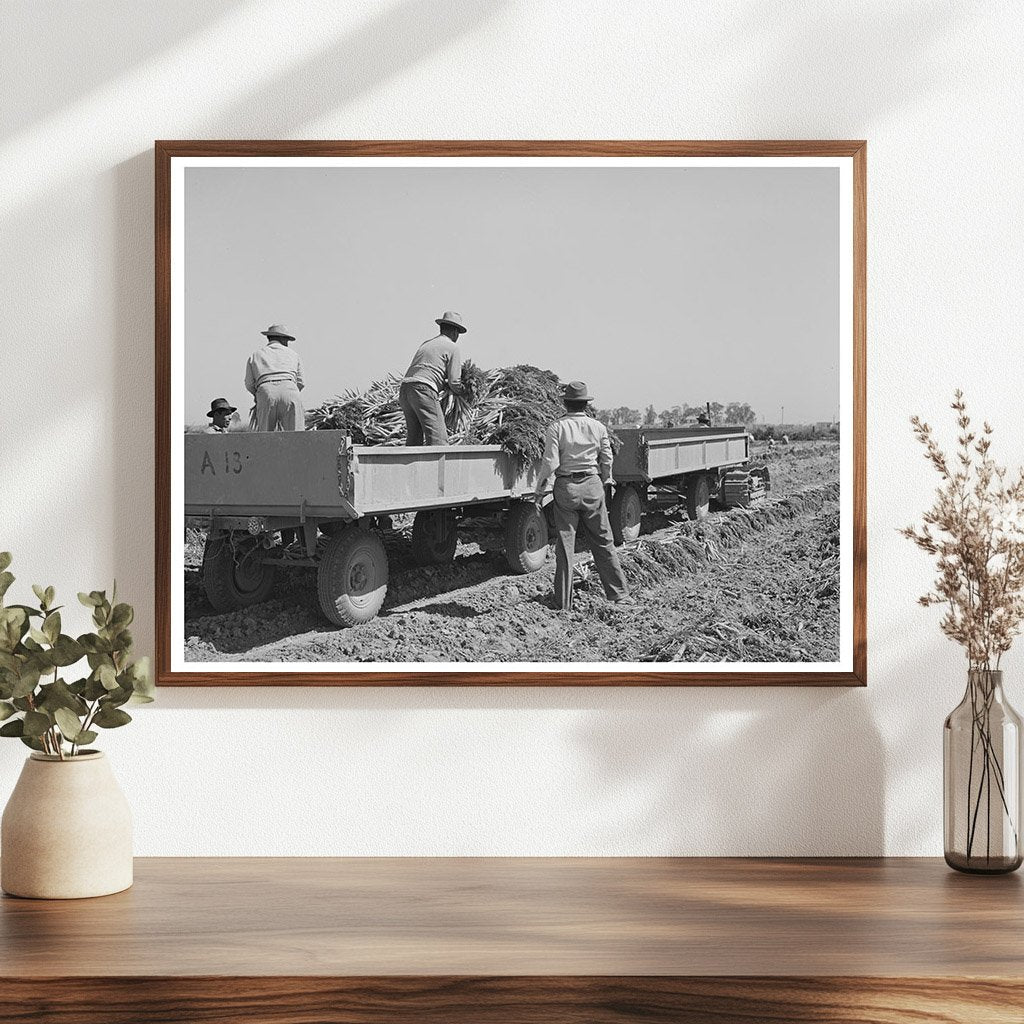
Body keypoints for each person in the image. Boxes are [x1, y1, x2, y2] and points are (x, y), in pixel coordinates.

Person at [536, 381, 635, 611]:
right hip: (592, 485)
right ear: (586, 404)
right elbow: (607, 458)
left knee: (565, 546)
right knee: (603, 541)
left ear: (565, 402)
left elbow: (551, 462)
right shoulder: (598, 427)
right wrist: (606, 478)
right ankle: (619, 595)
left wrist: (540, 490)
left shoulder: (556, 427)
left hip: (566, 488)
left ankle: (563, 603)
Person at [399, 312, 467, 445]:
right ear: (454, 332)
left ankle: (412, 465)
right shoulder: (452, 348)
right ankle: (440, 466)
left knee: (414, 438)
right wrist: (464, 392)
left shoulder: (427, 344)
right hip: (423, 390)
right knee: (439, 439)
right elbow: (454, 382)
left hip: (405, 390)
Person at [244, 324, 305, 431]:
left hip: (266, 391)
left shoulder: (256, 355)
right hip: (290, 390)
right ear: (282, 338)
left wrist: (258, 395)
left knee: (266, 438)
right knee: (296, 437)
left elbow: (249, 384)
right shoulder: (293, 354)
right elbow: (301, 382)